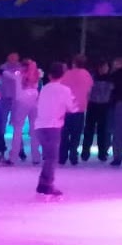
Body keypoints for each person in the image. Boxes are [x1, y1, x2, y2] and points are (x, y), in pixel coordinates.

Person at [32, 60, 78, 199]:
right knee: (52, 158)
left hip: (40, 125)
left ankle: (43, 184)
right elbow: (71, 107)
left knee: (49, 157)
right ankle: (47, 185)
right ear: (63, 74)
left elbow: (38, 104)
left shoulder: (45, 88)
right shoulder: (64, 90)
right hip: (53, 126)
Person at [57, 55, 93, 165]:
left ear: (74, 63)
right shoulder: (87, 74)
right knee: (76, 134)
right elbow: (89, 90)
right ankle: (73, 155)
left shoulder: (67, 74)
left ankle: (62, 156)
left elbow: (61, 87)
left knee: (64, 133)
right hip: (80, 107)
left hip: (66, 108)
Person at [7, 57, 40, 164]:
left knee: (18, 129)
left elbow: (6, 73)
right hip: (35, 100)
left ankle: (13, 157)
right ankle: (36, 157)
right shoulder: (37, 74)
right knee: (34, 130)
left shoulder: (18, 74)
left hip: (22, 102)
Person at [82, 59, 113, 160]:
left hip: (104, 106)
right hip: (93, 105)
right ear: (100, 67)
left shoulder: (110, 78)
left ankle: (102, 153)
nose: (106, 69)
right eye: (105, 67)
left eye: (107, 67)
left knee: (102, 131)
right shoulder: (92, 77)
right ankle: (85, 152)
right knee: (89, 130)